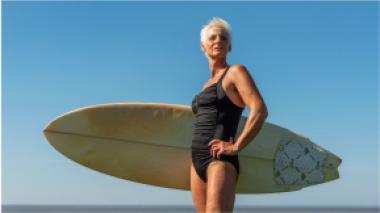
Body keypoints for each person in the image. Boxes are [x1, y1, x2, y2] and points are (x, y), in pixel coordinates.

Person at [190, 17, 269, 213]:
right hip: (196, 160)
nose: (218, 41)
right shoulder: (205, 85)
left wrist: (236, 146)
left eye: (224, 38)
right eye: (213, 37)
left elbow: (259, 110)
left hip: (220, 160)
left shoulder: (235, 72)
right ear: (202, 46)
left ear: (230, 46)